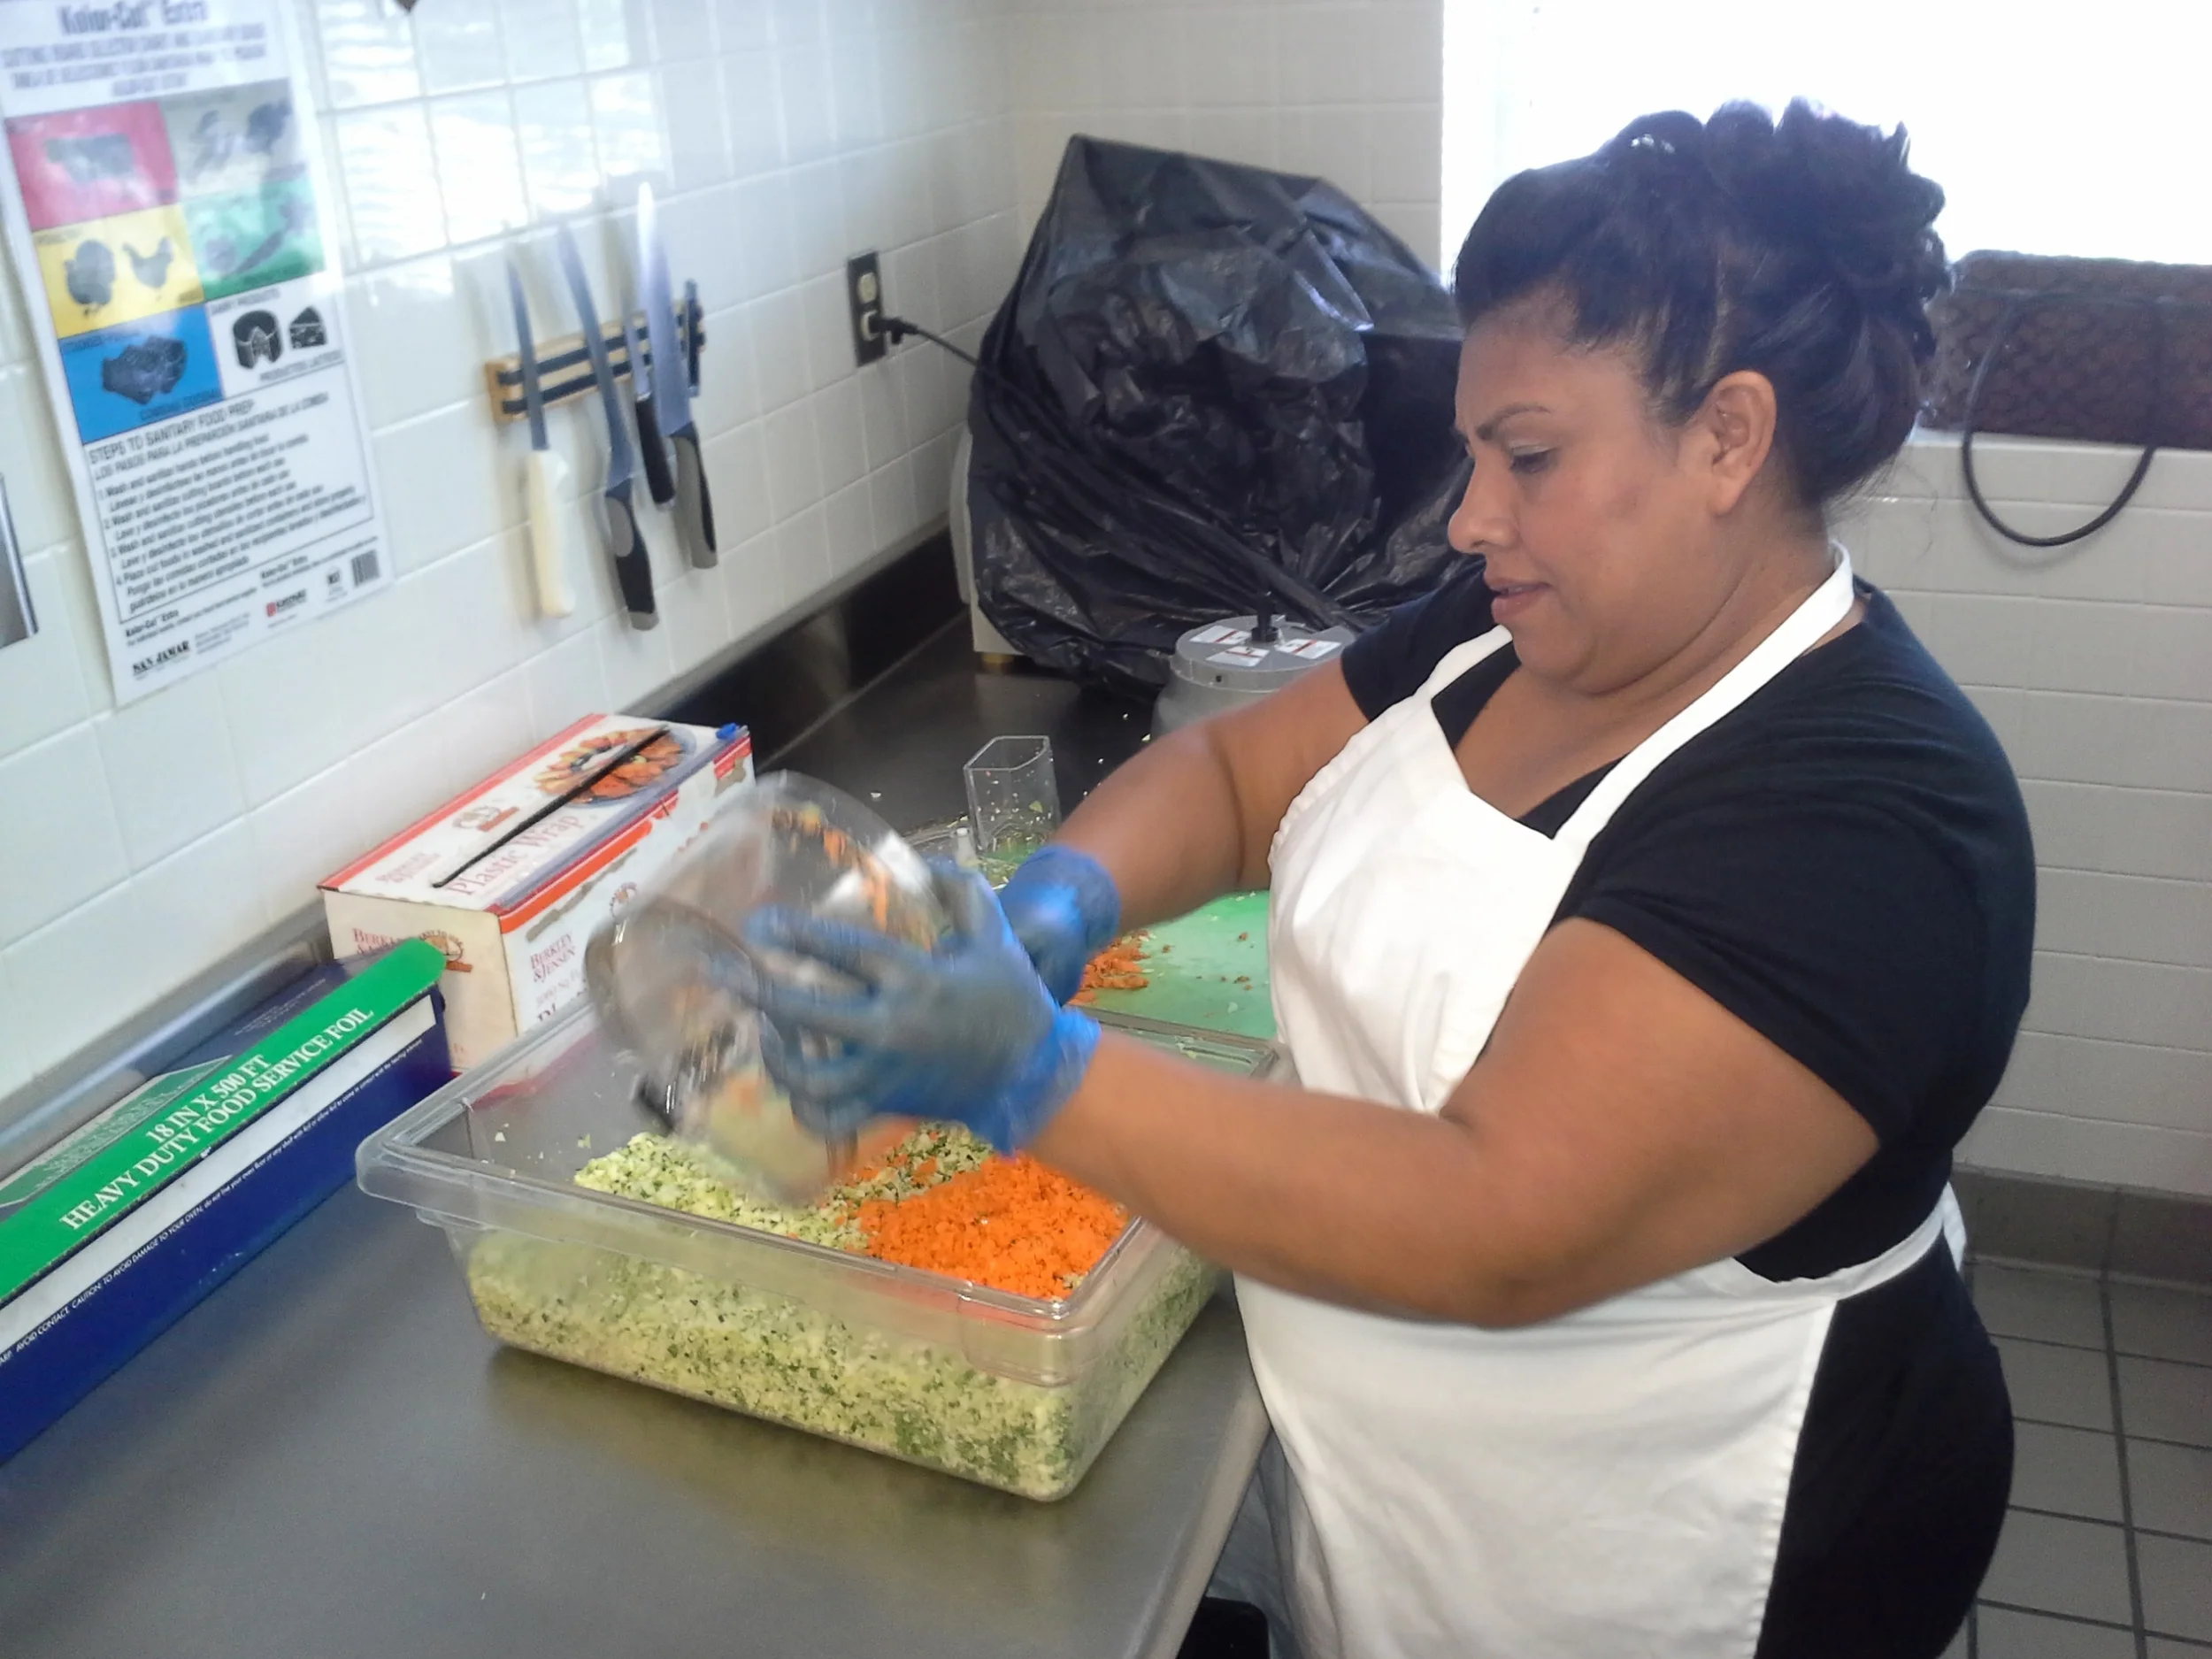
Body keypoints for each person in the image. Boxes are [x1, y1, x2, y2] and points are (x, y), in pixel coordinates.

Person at [745, 99, 2031, 1659]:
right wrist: (1060, 907)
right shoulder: (1511, 626)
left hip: (1686, 1546)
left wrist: (1030, 1072)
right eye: (1473, 450)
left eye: (1530, 455)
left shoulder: (1871, 816)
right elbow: (1232, 777)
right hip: (1427, 1502)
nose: (1472, 513)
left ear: (1729, 438)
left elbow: (1492, 1215)